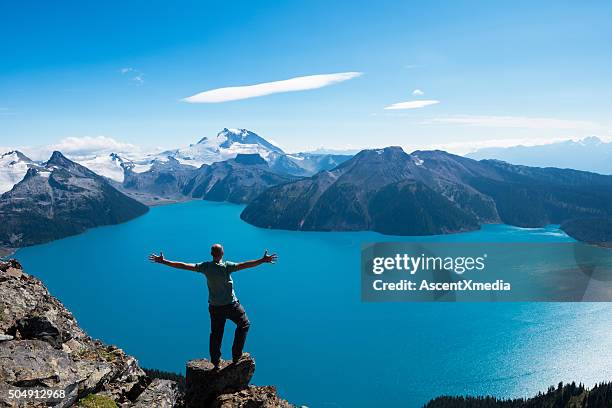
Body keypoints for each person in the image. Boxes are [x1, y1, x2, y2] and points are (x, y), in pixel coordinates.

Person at [148, 244, 277, 368]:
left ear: (211, 254)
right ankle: (237, 355)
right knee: (244, 324)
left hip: (215, 308)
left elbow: (184, 265)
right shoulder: (227, 266)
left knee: (216, 333)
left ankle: (216, 361)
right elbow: (245, 265)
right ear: (222, 253)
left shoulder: (206, 267)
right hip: (231, 305)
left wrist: (164, 261)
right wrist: (262, 260)